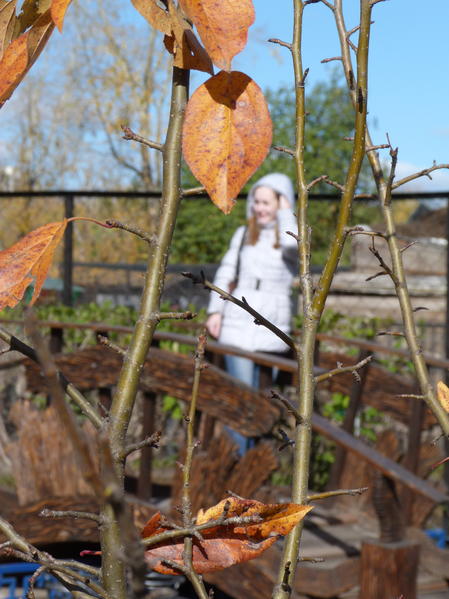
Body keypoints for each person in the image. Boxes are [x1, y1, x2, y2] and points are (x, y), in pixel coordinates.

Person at [206, 173, 298, 451]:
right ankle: (238, 459)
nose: (260, 208)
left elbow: (295, 246)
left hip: (271, 325)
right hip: (237, 321)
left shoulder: (290, 234)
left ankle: (252, 459)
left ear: (281, 202)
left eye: (267, 202)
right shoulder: (244, 233)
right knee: (240, 395)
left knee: (261, 401)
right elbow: (226, 273)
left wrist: (286, 211)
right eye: (256, 201)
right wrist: (215, 311)